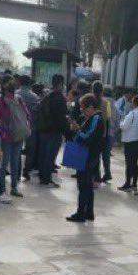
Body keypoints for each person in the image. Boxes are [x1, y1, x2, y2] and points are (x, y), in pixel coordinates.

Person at [66, 94, 105, 223]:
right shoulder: (93, 118)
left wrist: (77, 130)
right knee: (87, 185)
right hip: (89, 156)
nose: (82, 111)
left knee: (83, 185)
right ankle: (89, 212)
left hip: (88, 156)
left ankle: (81, 213)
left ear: (91, 107)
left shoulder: (96, 118)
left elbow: (88, 137)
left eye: (84, 108)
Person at [0, 78, 30, 197]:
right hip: (14, 135)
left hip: (9, 135)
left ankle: (5, 189)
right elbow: (27, 114)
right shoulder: (16, 100)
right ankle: (9, 188)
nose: (11, 93)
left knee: (7, 162)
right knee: (12, 162)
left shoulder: (1, 101)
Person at [37, 74, 69, 187]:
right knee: (50, 156)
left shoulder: (46, 96)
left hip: (43, 130)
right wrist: (67, 132)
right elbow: (62, 117)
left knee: (43, 154)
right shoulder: (60, 98)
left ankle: (42, 177)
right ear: (60, 84)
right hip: (54, 131)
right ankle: (47, 179)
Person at [118, 95, 138, 191]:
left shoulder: (132, 113)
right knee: (135, 163)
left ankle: (127, 184)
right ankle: (134, 184)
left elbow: (124, 126)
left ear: (135, 103)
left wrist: (121, 123)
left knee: (129, 163)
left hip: (130, 140)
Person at [91, 81, 113, 183]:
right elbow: (108, 120)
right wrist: (105, 134)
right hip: (102, 133)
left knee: (93, 155)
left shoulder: (90, 100)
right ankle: (100, 176)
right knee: (101, 155)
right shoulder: (106, 103)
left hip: (91, 132)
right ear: (102, 90)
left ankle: (96, 176)